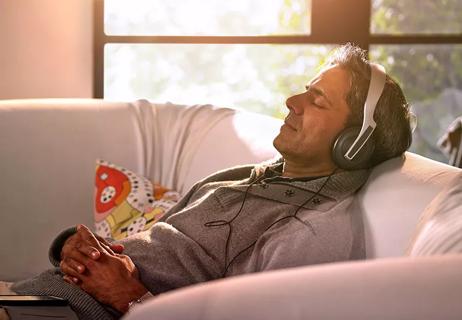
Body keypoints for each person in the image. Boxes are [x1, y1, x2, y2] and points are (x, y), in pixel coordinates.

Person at [5, 43, 413, 319]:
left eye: (317, 99)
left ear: (353, 144)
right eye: (305, 90)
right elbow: (155, 248)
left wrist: (128, 298)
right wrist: (73, 250)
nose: (292, 101)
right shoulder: (248, 178)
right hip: (37, 297)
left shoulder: (316, 233)